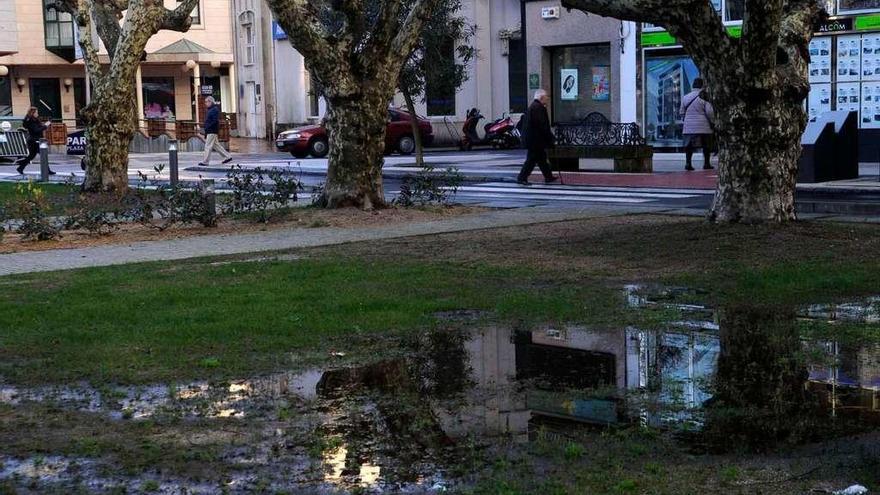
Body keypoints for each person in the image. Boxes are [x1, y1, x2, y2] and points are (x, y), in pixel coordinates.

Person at [516, 89, 558, 186]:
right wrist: (551, 138)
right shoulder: (539, 108)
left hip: (533, 139)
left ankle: (548, 177)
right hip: (535, 140)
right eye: (546, 97)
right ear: (541, 98)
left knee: (542, 159)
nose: (547, 98)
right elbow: (543, 125)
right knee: (531, 160)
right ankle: (522, 177)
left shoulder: (533, 107)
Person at [680, 78, 715, 171]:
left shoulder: (685, 97)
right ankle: (706, 163)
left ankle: (688, 163)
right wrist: (713, 121)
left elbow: (681, 112)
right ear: (702, 86)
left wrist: (686, 120)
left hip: (689, 126)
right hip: (703, 125)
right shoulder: (704, 96)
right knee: (706, 145)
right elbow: (709, 111)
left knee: (689, 146)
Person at [15, 107, 54, 175]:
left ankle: (20, 167)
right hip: (35, 141)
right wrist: (45, 126)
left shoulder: (34, 120)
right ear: (32, 113)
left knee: (31, 156)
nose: (37, 114)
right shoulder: (31, 121)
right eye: (36, 112)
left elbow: (38, 127)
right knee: (43, 155)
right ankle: (47, 170)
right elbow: (36, 130)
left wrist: (47, 123)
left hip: (34, 140)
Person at [198, 96, 233, 166]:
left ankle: (205, 161)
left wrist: (207, 127)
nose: (205, 103)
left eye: (206, 102)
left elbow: (214, 121)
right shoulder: (211, 109)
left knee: (208, 146)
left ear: (210, 101)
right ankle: (227, 156)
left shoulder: (214, 110)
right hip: (211, 130)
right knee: (216, 145)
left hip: (212, 130)